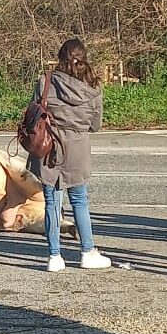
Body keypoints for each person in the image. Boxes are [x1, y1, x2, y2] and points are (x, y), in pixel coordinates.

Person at [28, 37, 109, 273]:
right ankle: (87, 251)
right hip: (77, 147)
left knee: (52, 201)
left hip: (48, 147)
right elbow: (95, 125)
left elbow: (34, 113)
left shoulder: (45, 81)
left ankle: (54, 256)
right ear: (84, 57)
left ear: (61, 57)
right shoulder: (93, 88)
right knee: (80, 200)